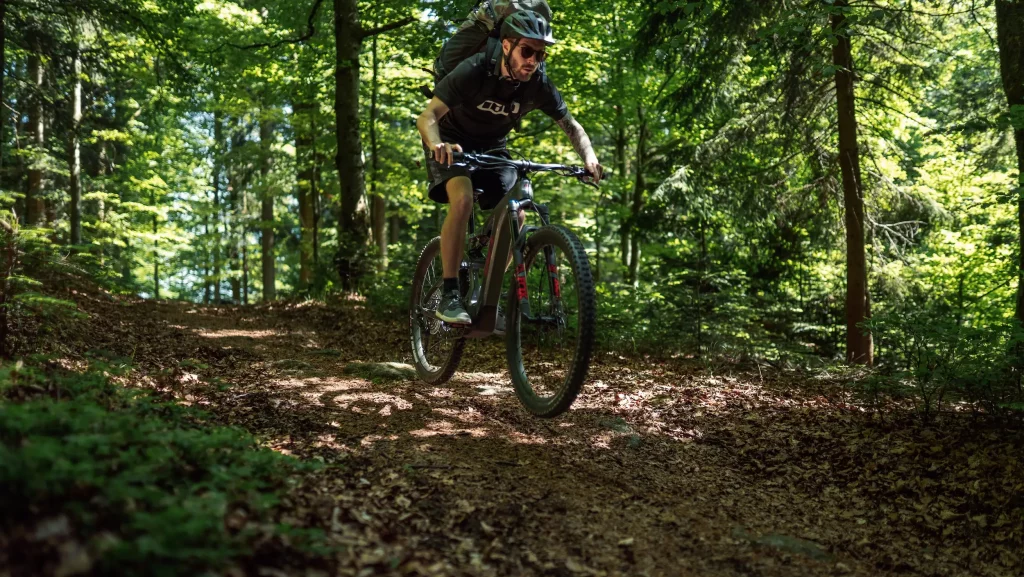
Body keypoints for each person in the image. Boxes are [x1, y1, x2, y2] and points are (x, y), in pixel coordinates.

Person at [416, 10, 603, 325]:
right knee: (461, 200)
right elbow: (428, 116)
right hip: (451, 141)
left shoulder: (537, 84)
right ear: (506, 46)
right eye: (527, 51)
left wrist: (589, 157)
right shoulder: (474, 70)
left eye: (540, 54)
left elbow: (571, 126)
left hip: (493, 148)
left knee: (517, 213)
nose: (533, 60)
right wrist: (437, 145)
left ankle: (483, 291)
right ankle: (449, 294)